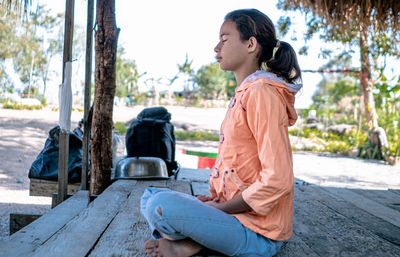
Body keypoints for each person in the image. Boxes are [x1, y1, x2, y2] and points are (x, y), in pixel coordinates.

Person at [140, 8, 302, 257]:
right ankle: (198, 240)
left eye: (225, 39)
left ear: (250, 44)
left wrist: (221, 209)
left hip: (259, 233)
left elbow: (278, 180)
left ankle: (193, 243)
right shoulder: (245, 93)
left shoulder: (262, 93)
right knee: (150, 196)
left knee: (162, 206)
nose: (217, 48)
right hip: (235, 217)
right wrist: (215, 202)